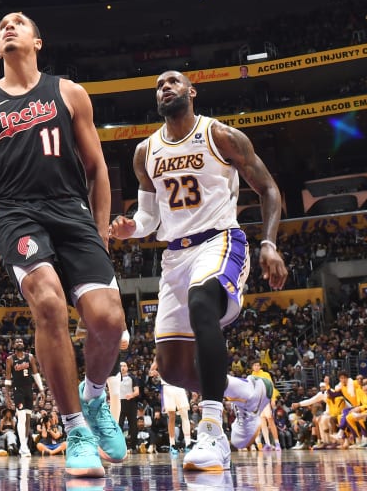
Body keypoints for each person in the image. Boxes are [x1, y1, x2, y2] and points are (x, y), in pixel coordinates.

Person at [0, 12, 129, 478]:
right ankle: (75, 432)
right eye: (2, 24)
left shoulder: (68, 92)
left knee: (108, 320)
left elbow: (98, 170)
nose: (8, 25)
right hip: (13, 212)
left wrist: (102, 233)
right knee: (48, 303)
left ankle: (92, 396)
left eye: (19, 22)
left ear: (37, 41)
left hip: (71, 210)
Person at [110, 70, 287, 472]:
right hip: (174, 255)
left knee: (202, 302)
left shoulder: (221, 135)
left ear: (192, 92)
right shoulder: (145, 151)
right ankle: (248, 393)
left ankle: (211, 431)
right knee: (172, 369)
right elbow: (147, 218)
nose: (165, 88)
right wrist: (129, 228)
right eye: (158, 85)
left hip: (219, 240)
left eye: (173, 82)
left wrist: (269, 243)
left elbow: (269, 188)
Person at [5, 338, 42, 457]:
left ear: (24, 344)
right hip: (18, 391)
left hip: (28, 390)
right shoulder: (10, 359)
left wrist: (41, 389)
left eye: (21, 341)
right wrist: (7, 396)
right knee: (21, 419)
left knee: (27, 419)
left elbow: (35, 374)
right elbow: (7, 378)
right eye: (17, 342)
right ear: (14, 345)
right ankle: (24, 447)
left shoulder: (30, 357)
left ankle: (23, 446)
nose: (19, 343)